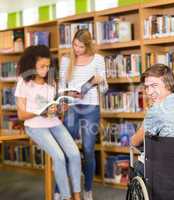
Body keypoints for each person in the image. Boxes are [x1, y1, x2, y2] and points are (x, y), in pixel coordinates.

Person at [15, 45, 81, 200]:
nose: (46, 70)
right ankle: (66, 197)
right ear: (31, 66)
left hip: (54, 122)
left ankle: (77, 195)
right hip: (34, 126)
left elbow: (54, 107)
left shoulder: (51, 82)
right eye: (42, 66)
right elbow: (21, 114)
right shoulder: (23, 83)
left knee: (74, 154)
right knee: (59, 157)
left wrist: (60, 108)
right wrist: (40, 112)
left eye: (48, 66)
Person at [58, 29, 108, 200]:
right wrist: (65, 97)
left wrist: (98, 81)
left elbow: (105, 88)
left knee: (88, 150)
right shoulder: (66, 60)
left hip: (91, 108)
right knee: (65, 150)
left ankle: (87, 190)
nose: (77, 49)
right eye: (75, 45)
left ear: (88, 45)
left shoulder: (98, 59)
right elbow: (60, 87)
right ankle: (60, 191)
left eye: (80, 46)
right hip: (72, 107)